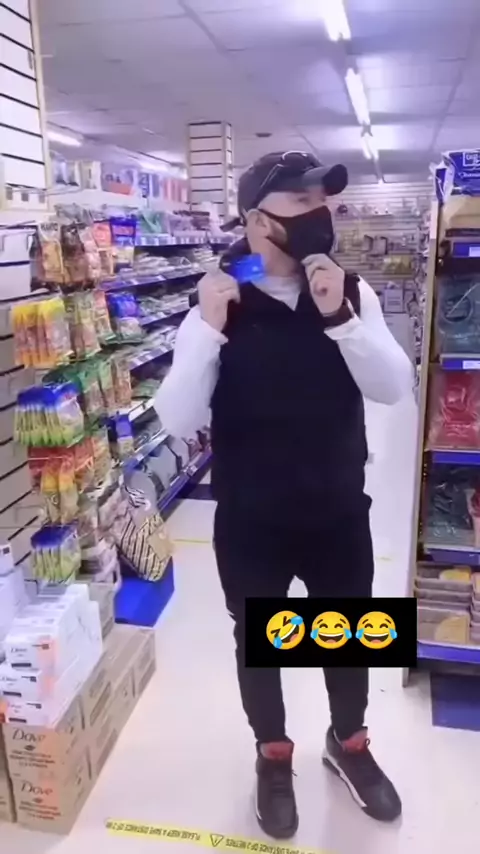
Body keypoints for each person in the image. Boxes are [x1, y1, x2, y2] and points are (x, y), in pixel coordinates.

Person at [155, 151, 412, 839]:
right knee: (261, 643)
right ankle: (273, 755)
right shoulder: (219, 299)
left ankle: (348, 742)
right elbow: (177, 418)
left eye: (322, 199)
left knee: (349, 635)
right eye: (300, 201)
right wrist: (209, 330)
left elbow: (394, 387)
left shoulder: (352, 290)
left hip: (337, 510)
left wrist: (341, 318)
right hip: (253, 518)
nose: (318, 213)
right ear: (257, 219)